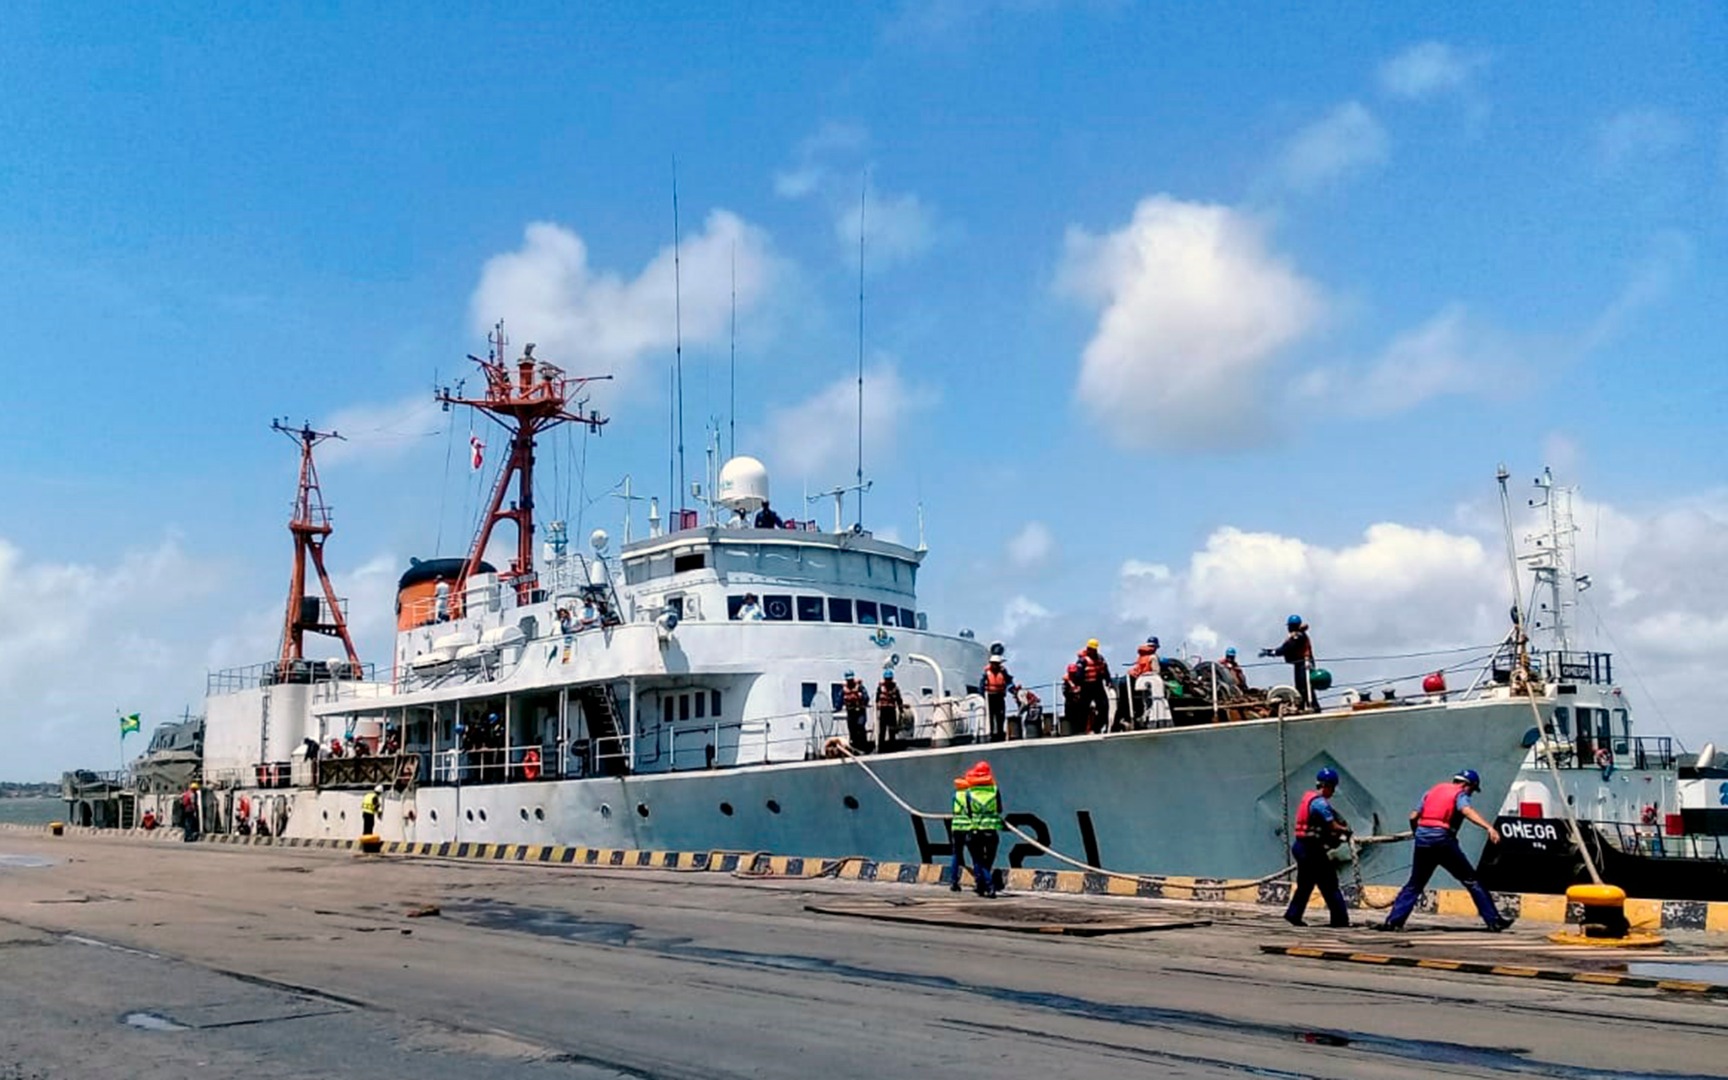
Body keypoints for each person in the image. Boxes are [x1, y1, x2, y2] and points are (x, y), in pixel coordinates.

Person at [1376, 769, 1511, 933]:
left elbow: (1413, 816)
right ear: (1467, 785)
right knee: (1471, 880)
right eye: (1472, 790)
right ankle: (1494, 921)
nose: (1471, 794)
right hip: (1443, 842)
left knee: (1415, 884)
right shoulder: (1460, 794)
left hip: (1423, 843)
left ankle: (1393, 922)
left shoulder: (1431, 791)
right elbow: (1466, 810)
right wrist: (1489, 827)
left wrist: (1417, 833)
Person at [1285, 767, 1352, 928]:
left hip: (1301, 847)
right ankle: (1340, 919)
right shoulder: (1321, 804)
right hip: (1311, 850)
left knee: (1305, 884)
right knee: (1330, 884)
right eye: (1333, 787)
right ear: (1328, 786)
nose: (1333, 791)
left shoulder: (1307, 798)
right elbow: (1333, 826)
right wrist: (1346, 831)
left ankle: (1293, 914)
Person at [962, 762, 1004, 897]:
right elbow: (999, 809)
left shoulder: (969, 793)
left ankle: (986, 885)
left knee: (978, 859)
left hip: (975, 830)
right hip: (991, 830)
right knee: (988, 860)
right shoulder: (994, 790)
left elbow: (968, 812)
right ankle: (983, 883)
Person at [1264, 616, 1317, 712]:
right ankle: (1303, 707)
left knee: (1304, 687)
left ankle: (1313, 707)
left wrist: (1271, 653)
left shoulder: (1298, 636)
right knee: (1300, 687)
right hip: (1299, 664)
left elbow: (1286, 648)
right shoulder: (1297, 635)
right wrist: (1271, 651)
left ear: (1292, 626)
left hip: (1304, 664)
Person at [1077, 639, 1112, 733]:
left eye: (1094, 649)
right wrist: (1078, 686)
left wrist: (1108, 680)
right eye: (1091, 648)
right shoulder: (1083, 660)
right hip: (1086, 686)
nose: (1093, 650)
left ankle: (1097, 727)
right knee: (1083, 709)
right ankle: (1081, 729)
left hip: (1098, 686)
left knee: (1104, 707)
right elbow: (1078, 675)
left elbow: (1105, 670)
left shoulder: (1100, 658)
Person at [980, 656, 1017, 742]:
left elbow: (1009, 682)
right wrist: (981, 697)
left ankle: (1000, 733)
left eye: (997, 664)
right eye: (994, 664)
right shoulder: (986, 673)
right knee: (991, 716)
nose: (996, 665)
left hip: (1000, 697)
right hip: (990, 697)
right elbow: (981, 686)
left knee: (1000, 716)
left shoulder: (1003, 672)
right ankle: (992, 734)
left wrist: (1014, 691)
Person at [948, 775, 973, 892]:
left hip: (956, 826)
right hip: (967, 826)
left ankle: (953, 881)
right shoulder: (969, 795)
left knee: (956, 854)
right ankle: (979, 880)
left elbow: (954, 810)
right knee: (975, 854)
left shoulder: (955, 795)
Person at [875, 669, 905, 753]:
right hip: (883, 710)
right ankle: (881, 748)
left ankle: (892, 747)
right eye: (887, 679)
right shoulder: (880, 688)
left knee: (892, 730)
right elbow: (877, 698)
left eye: (889, 679)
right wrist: (877, 706)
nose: (888, 681)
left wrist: (901, 709)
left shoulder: (895, 688)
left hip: (891, 710)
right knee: (882, 730)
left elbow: (899, 700)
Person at [840, 670, 870, 751]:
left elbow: (866, 696)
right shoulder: (844, 689)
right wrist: (837, 707)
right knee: (852, 729)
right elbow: (839, 699)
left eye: (851, 679)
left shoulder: (860, 687)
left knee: (860, 727)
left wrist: (863, 701)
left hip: (860, 711)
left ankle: (863, 746)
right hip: (851, 712)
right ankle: (854, 747)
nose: (849, 681)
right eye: (848, 680)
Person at [1061, 662, 1083, 734]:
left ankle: (1081, 730)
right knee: (1070, 717)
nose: (1073, 674)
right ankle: (1072, 730)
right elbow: (1065, 692)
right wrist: (1072, 693)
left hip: (1079, 702)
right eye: (1071, 672)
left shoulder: (1079, 679)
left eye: (1074, 672)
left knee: (1080, 716)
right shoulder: (1066, 681)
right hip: (1070, 702)